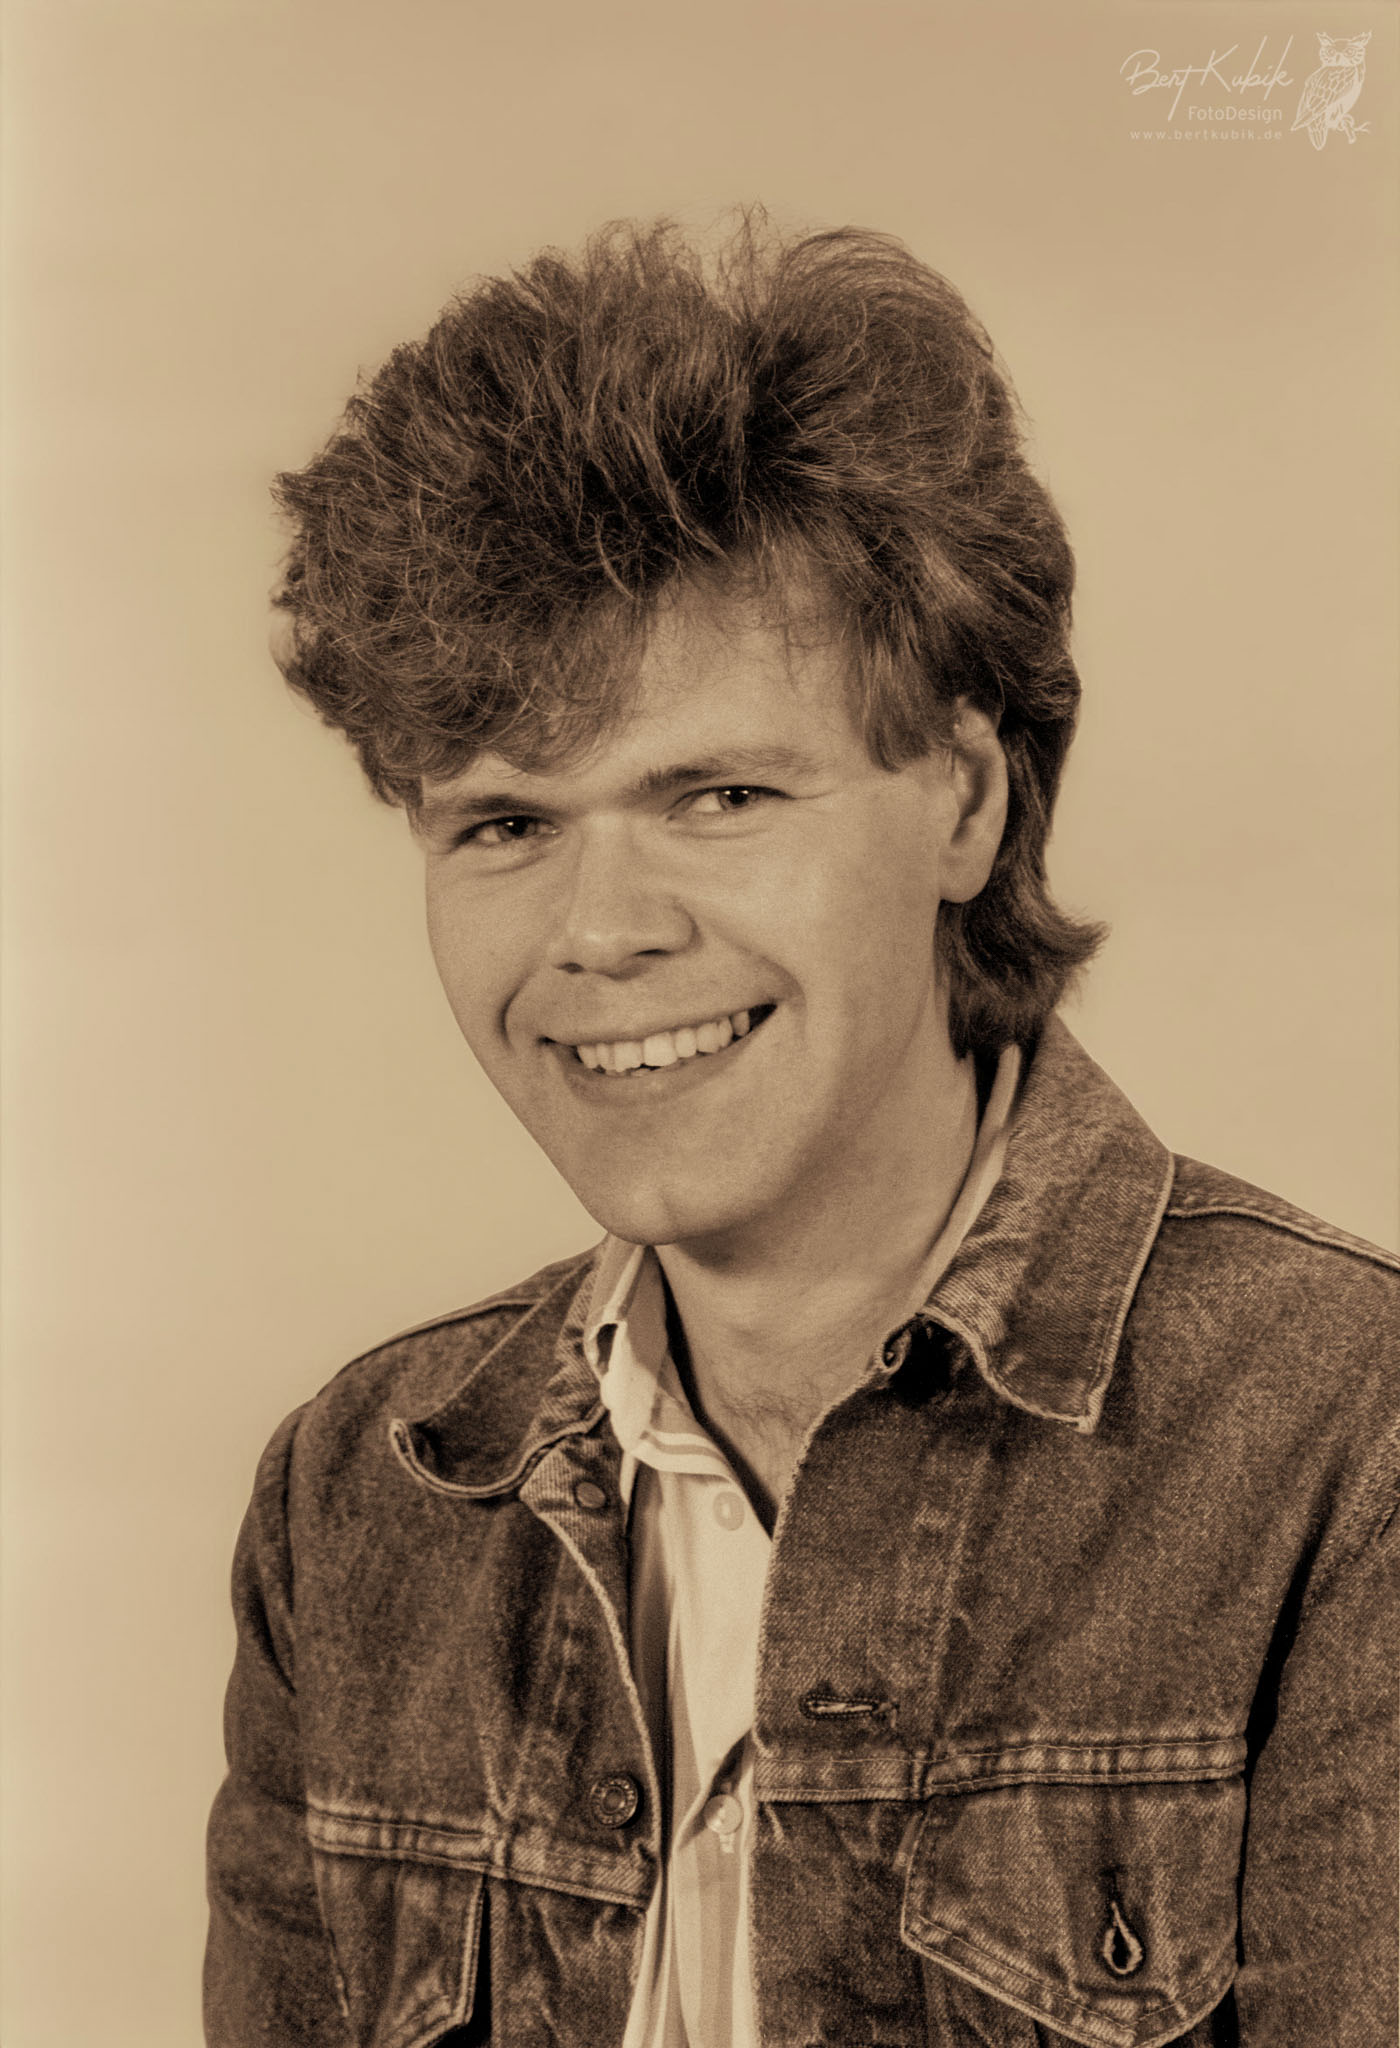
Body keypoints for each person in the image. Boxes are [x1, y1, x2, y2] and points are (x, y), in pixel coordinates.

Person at [205, 214, 1398, 2047]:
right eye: (506, 824)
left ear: (967, 804)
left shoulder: (1347, 1451)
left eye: (721, 795)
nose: (601, 931)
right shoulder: (355, 1505)